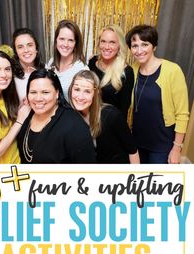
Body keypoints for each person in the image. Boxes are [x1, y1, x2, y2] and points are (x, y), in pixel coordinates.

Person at [125, 24, 189, 164]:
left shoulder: (172, 70)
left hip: (162, 146)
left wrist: (176, 149)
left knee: (157, 184)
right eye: (135, 45)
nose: (139, 50)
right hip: (137, 142)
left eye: (145, 44)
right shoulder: (132, 70)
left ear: (154, 46)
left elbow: (182, 114)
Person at [17, 68, 96, 164]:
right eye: (33, 92)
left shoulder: (75, 126)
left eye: (45, 92)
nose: (38, 98)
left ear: (57, 93)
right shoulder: (27, 113)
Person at [69, 70, 139, 163]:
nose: (80, 97)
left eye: (87, 91)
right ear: (71, 90)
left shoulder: (111, 115)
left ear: (96, 93)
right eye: (77, 89)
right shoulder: (69, 117)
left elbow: (132, 151)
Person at [88, 25, 134, 118]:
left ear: (119, 45)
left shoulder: (126, 72)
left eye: (112, 42)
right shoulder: (92, 62)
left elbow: (123, 110)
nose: (106, 47)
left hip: (110, 125)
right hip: (88, 121)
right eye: (103, 41)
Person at [47, 19, 88, 101]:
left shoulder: (82, 69)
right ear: (56, 40)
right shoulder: (51, 62)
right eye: (62, 39)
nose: (65, 44)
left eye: (70, 40)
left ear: (75, 43)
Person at [12, 27, 44, 102]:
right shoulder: (11, 76)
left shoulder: (47, 70)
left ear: (36, 48)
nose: (26, 50)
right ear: (16, 51)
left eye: (30, 45)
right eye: (20, 47)